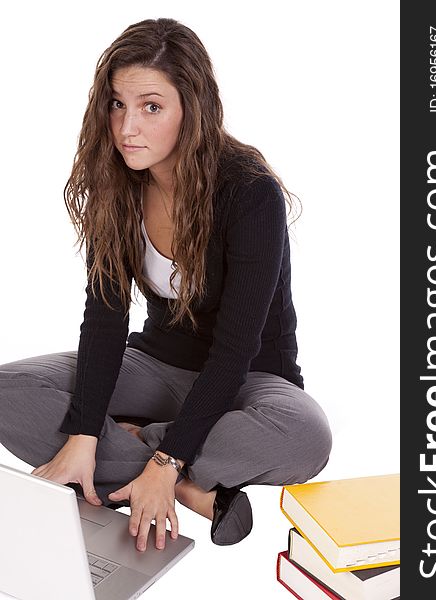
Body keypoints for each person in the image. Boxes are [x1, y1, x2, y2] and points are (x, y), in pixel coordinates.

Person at [0, 18, 332, 552]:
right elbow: (105, 322)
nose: (127, 127)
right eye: (116, 104)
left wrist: (165, 455)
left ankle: (149, 458)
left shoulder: (249, 192)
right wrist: (84, 432)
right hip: (158, 367)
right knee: (7, 393)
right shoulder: (118, 186)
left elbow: (235, 348)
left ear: (190, 109)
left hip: (247, 380)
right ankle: (191, 488)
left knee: (307, 437)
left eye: (151, 107)